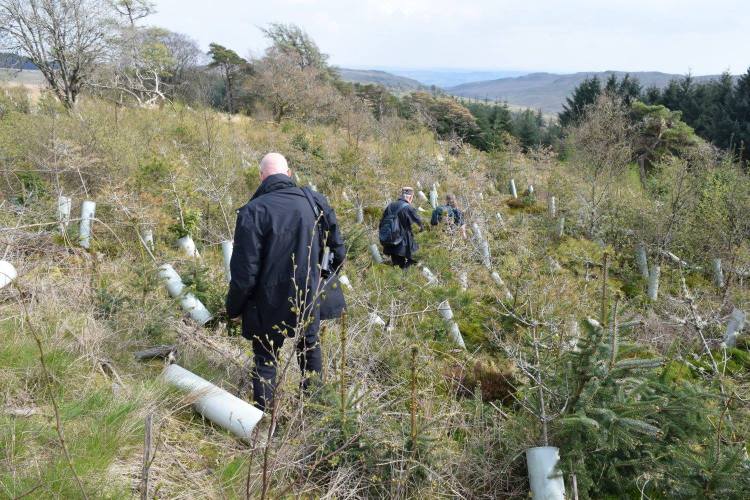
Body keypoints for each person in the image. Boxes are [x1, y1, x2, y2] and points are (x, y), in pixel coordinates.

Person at [226, 152, 345, 413]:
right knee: (309, 348)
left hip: (266, 303)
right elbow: (338, 251)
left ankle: (263, 422)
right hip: (308, 296)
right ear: (288, 174)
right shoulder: (314, 201)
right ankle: (313, 414)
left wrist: (233, 308)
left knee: (266, 358)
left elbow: (244, 274)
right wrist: (321, 278)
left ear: (261, 177)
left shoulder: (252, 211)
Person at [379, 187, 423, 269]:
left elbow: (381, 223)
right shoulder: (408, 208)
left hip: (390, 242)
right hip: (403, 244)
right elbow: (419, 226)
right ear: (410, 197)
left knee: (397, 267)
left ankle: (398, 280)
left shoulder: (390, 206)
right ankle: (405, 278)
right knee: (413, 261)